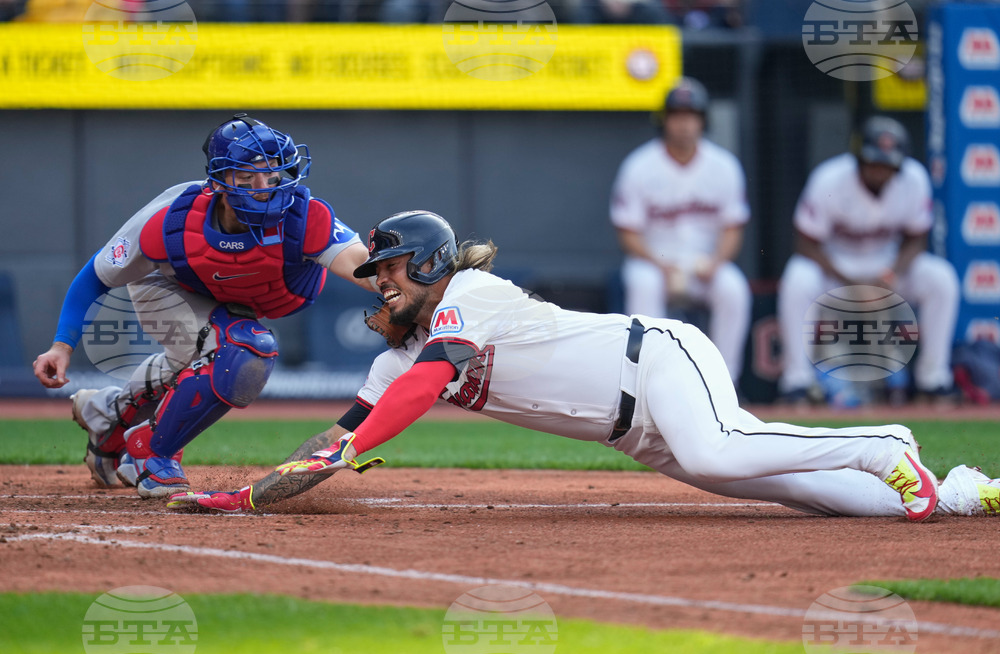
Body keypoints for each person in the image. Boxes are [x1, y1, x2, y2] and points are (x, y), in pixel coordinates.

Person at [167, 211, 1000, 520]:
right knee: (806, 494)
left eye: (385, 271)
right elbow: (340, 432)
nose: (376, 286)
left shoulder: (470, 291)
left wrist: (346, 450)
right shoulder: (399, 357)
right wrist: (253, 491)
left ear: (426, 266)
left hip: (657, 362)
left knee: (720, 449)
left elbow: (432, 381)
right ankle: (959, 490)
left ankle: (880, 443)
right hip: (639, 436)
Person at [32, 114, 373, 499]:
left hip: (218, 302)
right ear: (219, 181)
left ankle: (106, 415)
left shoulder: (304, 215)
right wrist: (62, 345)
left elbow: (362, 265)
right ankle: (153, 454)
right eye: (246, 177)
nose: (263, 187)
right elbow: (95, 276)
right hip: (164, 287)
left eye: (273, 174)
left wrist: (417, 290)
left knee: (203, 355)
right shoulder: (170, 218)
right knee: (244, 350)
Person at [777, 116, 960, 406]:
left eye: (887, 164)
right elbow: (805, 243)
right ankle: (796, 382)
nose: (880, 170)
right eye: (874, 162)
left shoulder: (914, 179)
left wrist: (890, 274)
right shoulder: (830, 178)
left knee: (940, 277)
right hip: (836, 268)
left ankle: (933, 379)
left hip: (887, 269)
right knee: (798, 277)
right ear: (859, 158)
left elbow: (917, 238)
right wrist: (852, 283)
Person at [610, 77, 751, 385]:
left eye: (691, 116)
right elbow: (627, 232)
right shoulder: (640, 165)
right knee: (643, 283)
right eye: (677, 116)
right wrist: (658, 263)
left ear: (703, 121)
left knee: (733, 287)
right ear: (665, 120)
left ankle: (725, 382)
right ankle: (650, 382)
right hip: (653, 261)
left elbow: (732, 227)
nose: (684, 124)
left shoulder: (723, 165)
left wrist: (717, 262)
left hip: (704, 263)